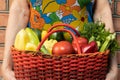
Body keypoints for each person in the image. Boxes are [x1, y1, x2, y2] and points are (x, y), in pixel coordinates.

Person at [1, 0, 118, 80]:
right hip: (38, 63)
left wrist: (113, 67)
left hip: (84, 64)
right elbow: (20, 10)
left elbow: (102, 11)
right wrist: (6, 65)